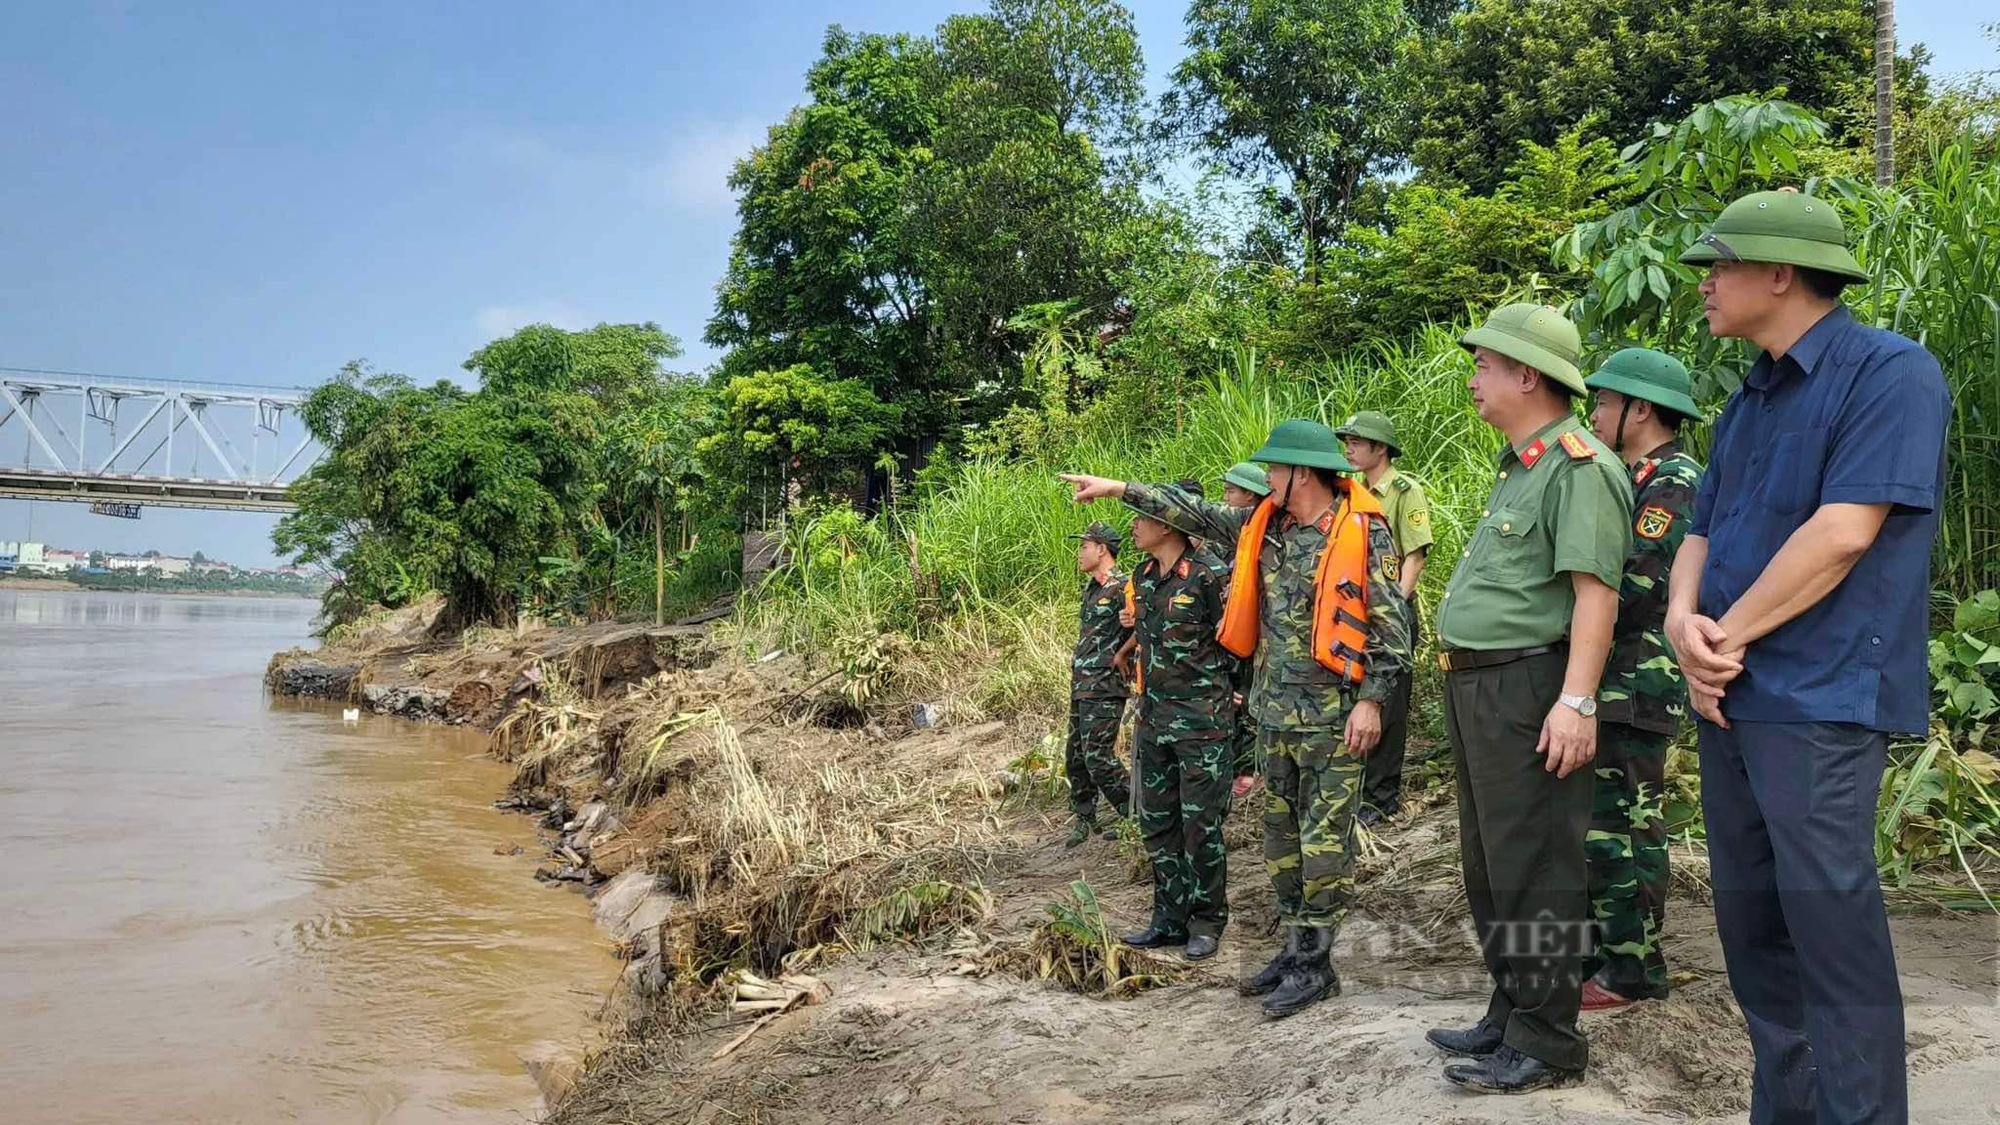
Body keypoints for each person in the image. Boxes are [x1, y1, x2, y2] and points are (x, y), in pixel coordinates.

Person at [1669, 188, 1949, 1125]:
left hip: (1821, 698)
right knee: (1753, 931)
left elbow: (1842, 532)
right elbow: (1701, 529)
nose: (1704, 285)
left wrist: (1726, 634)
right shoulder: (1747, 397)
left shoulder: (1890, 373)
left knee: (1832, 933)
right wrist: (1682, 624)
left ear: (1780, 273)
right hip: (1731, 696)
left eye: (1719, 265)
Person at [1061, 420, 1412, 1018]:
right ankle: (1294, 951)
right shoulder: (1263, 530)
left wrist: (1373, 703)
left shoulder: (1361, 533)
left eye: (1273, 470)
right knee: (1281, 847)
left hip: (1334, 720)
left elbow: (1393, 630)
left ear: (1301, 474)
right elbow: (1189, 513)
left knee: (1323, 846)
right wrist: (1120, 489)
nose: (1263, 480)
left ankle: (1316, 964)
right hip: (1276, 718)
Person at [1425, 303, 1631, 1094]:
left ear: (1527, 374)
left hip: (1531, 685)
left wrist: (1576, 701)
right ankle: (1512, 1010)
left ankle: (1547, 1041)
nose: (1474, 378)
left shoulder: (1578, 465)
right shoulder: (1523, 464)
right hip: (1480, 685)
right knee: (1490, 860)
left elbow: (1595, 594)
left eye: (1485, 364)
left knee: (1537, 861)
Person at [1579, 348, 1705, 1011]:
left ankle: (1633, 971)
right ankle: (1609, 954)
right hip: (1610, 680)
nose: (1595, 412)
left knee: (1626, 829)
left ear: (1641, 409)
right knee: (1599, 830)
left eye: (1604, 401)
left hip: (1637, 681)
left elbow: (1637, 582)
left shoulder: (1674, 479)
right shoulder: (1628, 475)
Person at [1119, 502, 1239, 961]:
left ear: (1169, 526)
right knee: (1158, 823)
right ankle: (1169, 918)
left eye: (1141, 517)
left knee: (1201, 827)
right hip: (1155, 720)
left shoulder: (1206, 576)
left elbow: (1232, 641)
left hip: (1201, 723)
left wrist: (1228, 695)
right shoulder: (1145, 576)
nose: (1134, 524)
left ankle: (1208, 921)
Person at [1335, 410, 1434, 825]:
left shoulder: (1403, 490)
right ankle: (1357, 788)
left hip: (1390, 610)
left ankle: (1380, 797)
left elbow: (1415, 554)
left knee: (1387, 705)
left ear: (1380, 448)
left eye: (1357, 442)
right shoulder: (1352, 493)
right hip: (1357, 612)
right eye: (1348, 442)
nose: (1349, 449)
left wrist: (1394, 606)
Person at [1063, 520, 1132, 847]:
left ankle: (1137, 814)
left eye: (1085, 546)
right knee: (1075, 755)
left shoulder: (1124, 586)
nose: (1080, 553)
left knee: (1098, 756)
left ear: (1102, 549)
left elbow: (1142, 627)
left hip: (1105, 685)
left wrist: (1123, 655)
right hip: (1083, 683)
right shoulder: (1092, 589)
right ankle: (1085, 817)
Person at [1220, 462, 1270, 798]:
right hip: (1236, 633)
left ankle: (1251, 768)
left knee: (1251, 700)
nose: (1225, 498)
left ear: (1249, 495)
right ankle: (1242, 765)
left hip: (1260, 636)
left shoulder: (1265, 532)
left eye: (1231, 491)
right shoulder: (1235, 534)